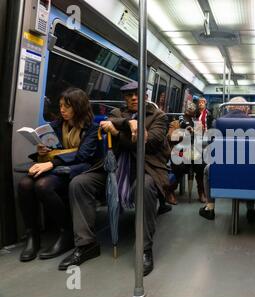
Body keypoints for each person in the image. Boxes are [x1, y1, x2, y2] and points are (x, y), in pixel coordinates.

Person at [58, 82, 171, 276]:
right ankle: (86, 244)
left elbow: (149, 143)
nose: (133, 98)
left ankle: (144, 249)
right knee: (79, 184)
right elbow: (105, 124)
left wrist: (118, 132)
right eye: (129, 95)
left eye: (137, 94)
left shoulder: (159, 116)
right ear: (124, 99)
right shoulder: (117, 112)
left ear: (145, 96)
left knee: (144, 187)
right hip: (113, 168)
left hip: (146, 168)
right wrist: (129, 124)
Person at [18, 88, 101, 262]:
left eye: (67, 106)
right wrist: (42, 151)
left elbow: (83, 155)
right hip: (55, 167)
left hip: (75, 169)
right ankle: (33, 236)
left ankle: (67, 232)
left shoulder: (92, 128)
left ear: (78, 107)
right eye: (61, 106)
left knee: (42, 186)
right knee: (25, 184)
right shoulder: (56, 125)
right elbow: (52, 149)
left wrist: (51, 161)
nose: (62, 110)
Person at [199, 97, 255, 223]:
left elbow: (211, 145)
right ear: (246, 109)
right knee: (253, 168)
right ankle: (251, 209)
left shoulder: (217, 122)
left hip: (222, 169)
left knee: (207, 170)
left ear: (228, 108)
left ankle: (210, 207)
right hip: (249, 170)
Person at [166, 101, 207, 204]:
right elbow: (170, 137)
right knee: (179, 165)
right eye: (189, 109)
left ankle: (201, 191)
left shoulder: (197, 124)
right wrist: (184, 134)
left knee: (202, 165)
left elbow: (201, 140)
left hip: (194, 151)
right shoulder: (175, 123)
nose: (190, 111)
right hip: (179, 152)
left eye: (193, 109)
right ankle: (170, 191)